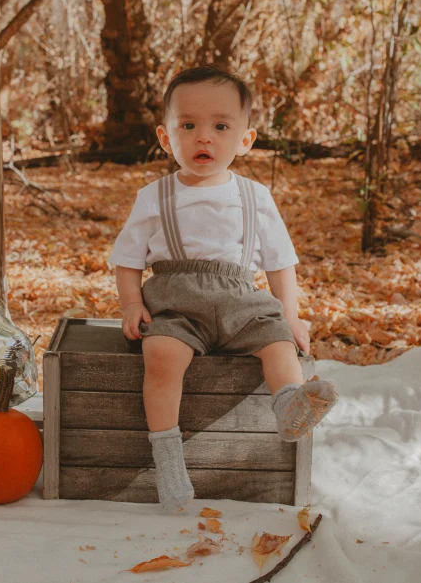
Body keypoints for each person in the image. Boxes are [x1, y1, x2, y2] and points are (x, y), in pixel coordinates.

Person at [109, 66, 338, 513]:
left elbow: (279, 263)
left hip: (243, 303)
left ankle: (289, 405)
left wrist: (290, 316)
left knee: (277, 344)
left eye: (220, 126)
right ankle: (169, 458)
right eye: (187, 126)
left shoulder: (256, 197)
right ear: (165, 136)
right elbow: (128, 259)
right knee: (160, 358)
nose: (203, 138)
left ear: (245, 139)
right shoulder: (154, 197)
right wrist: (132, 303)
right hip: (178, 304)